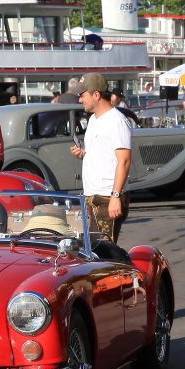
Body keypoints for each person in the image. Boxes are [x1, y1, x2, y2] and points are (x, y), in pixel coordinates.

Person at [70, 72, 131, 242]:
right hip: (92, 196)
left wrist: (115, 197)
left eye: (82, 95)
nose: (80, 100)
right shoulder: (93, 120)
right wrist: (83, 154)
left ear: (96, 95)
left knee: (104, 250)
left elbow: (124, 161)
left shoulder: (116, 121)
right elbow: (102, 154)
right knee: (92, 250)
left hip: (106, 197)